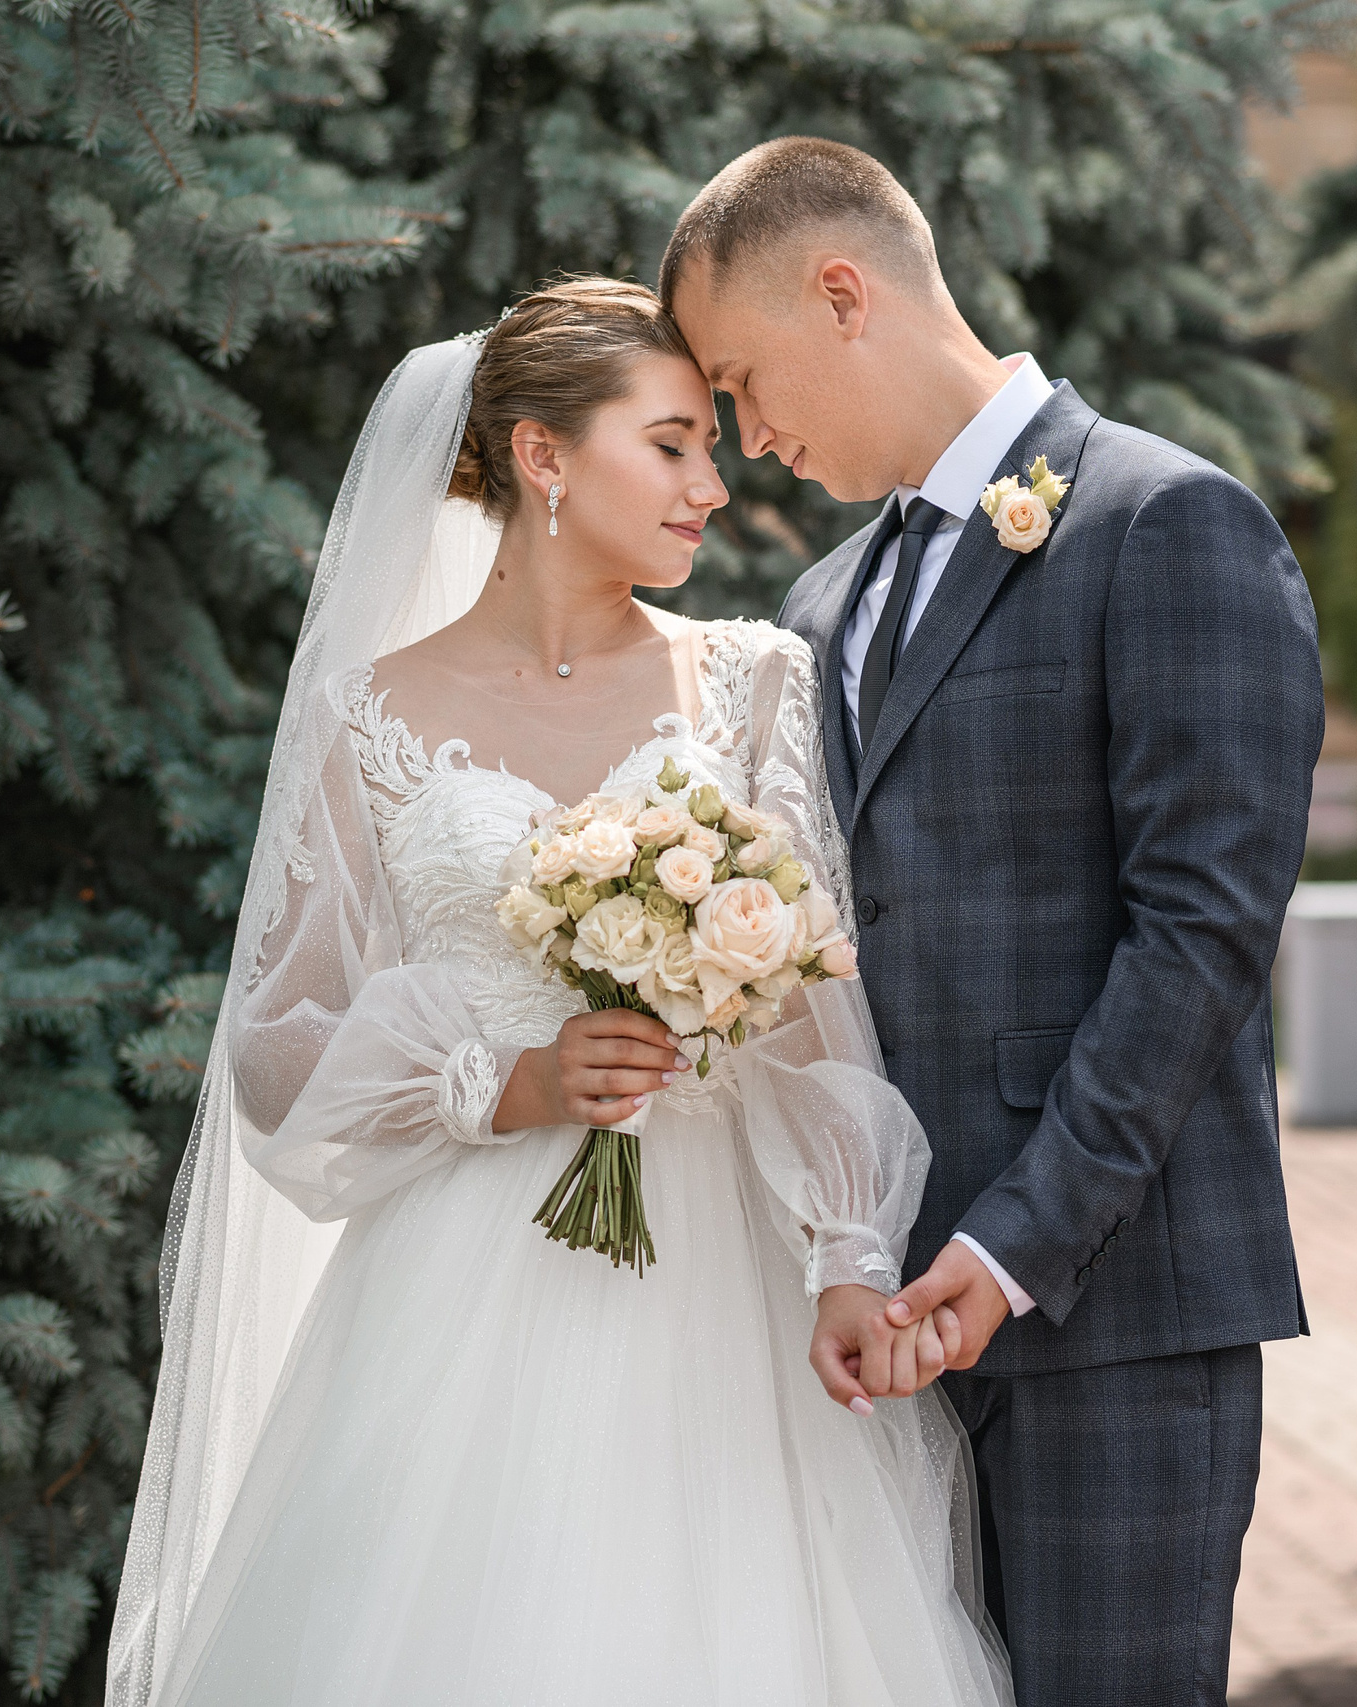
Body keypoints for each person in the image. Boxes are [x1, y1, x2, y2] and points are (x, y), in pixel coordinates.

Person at [103, 278, 1013, 1707]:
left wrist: (847, 1257)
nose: (715, 483)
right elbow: (276, 1051)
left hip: (726, 1309)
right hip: (459, 1290)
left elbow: (818, 1017)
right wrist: (500, 1083)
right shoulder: (373, 715)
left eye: (713, 443)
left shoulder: (754, 685)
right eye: (670, 444)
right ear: (543, 457)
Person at [664, 138, 1324, 1707]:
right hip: (882, 1336)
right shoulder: (823, 607)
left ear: (845, 293)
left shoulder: (1169, 524)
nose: (751, 439)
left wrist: (1012, 1244)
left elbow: (1204, 935)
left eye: (749, 385)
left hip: (1112, 1306)